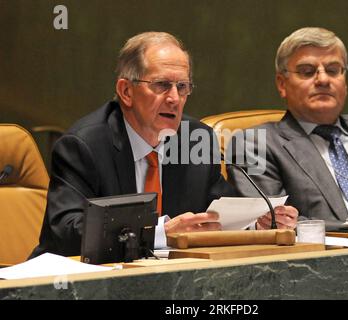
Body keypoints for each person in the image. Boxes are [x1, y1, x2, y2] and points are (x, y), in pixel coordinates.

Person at [30, 32, 298, 258]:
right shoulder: (84, 145)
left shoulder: (197, 139)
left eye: (182, 87)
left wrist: (257, 224)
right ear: (126, 91)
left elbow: (220, 213)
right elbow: (65, 232)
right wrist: (159, 233)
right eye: (161, 85)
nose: (174, 98)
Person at [228, 27, 348, 231]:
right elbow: (272, 222)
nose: (323, 80)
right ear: (282, 84)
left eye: (333, 70)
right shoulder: (255, 144)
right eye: (307, 71)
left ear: (345, 81)